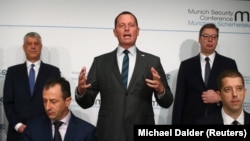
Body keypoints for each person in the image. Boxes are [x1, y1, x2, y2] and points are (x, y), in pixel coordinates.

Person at [75, 11, 173, 141]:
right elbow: (86, 102)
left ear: (138, 31)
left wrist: (161, 89)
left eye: (131, 25)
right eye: (121, 25)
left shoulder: (152, 61)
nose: (126, 28)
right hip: (110, 131)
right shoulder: (100, 62)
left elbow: (167, 101)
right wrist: (81, 92)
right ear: (115, 32)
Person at [172, 23, 238, 124]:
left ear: (217, 40)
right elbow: (179, 101)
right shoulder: (186, 65)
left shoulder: (228, 64)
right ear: (199, 39)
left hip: (221, 121)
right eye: (206, 36)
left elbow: (236, 94)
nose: (210, 40)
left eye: (213, 37)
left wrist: (219, 98)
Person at [3, 32, 61, 141]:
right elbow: (8, 102)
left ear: (41, 46)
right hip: (17, 134)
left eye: (36, 43)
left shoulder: (53, 72)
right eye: (29, 44)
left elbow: (57, 101)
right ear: (24, 47)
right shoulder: (12, 72)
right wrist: (17, 125)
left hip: (44, 131)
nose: (33, 46)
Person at [20, 77, 97, 141]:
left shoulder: (86, 132)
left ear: (67, 102)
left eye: (53, 101)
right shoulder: (32, 128)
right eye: (44, 101)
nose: (47, 107)